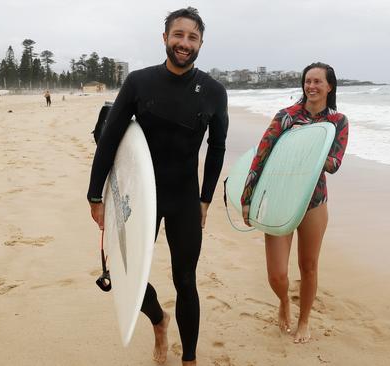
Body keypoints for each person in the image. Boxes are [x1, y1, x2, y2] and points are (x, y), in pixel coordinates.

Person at [87, 7, 228, 365]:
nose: (184, 43)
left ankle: (189, 359)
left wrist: (205, 199)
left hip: (183, 198)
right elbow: (111, 138)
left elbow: (218, 147)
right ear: (165, 37)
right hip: (138, 196)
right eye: (178, 35)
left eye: (192, 37)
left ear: (201, 44)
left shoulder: (213, 91)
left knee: (185, 279)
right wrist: (95, 194)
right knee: (123, 273)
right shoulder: (139, 82)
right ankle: (159, 320)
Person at [241, 62, 349, 343]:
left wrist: (312, 149)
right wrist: (247, 198)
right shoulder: (286, 117)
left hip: (314, 200)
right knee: (277, 274)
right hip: (279, 196)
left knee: (309, 266)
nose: (311, 86)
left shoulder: (337, 122)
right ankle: (284, 302)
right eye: (307, 81)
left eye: (317, 81)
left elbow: (334, 164)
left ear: (329, 86)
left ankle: (304, 320)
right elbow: (261, 156)